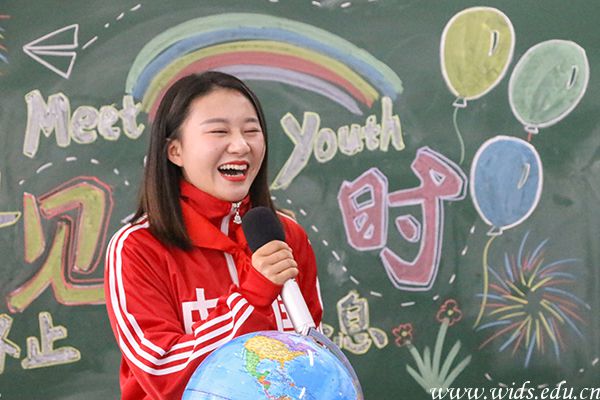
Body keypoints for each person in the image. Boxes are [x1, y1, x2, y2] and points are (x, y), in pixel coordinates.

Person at [104, 71, 323, 399]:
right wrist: (253, 296)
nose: (241, 145)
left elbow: (313, 356)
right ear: (175, 151)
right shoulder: (137, 248)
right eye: (219, 131)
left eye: (251, 131)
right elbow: (162, 373)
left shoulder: (285, 235)